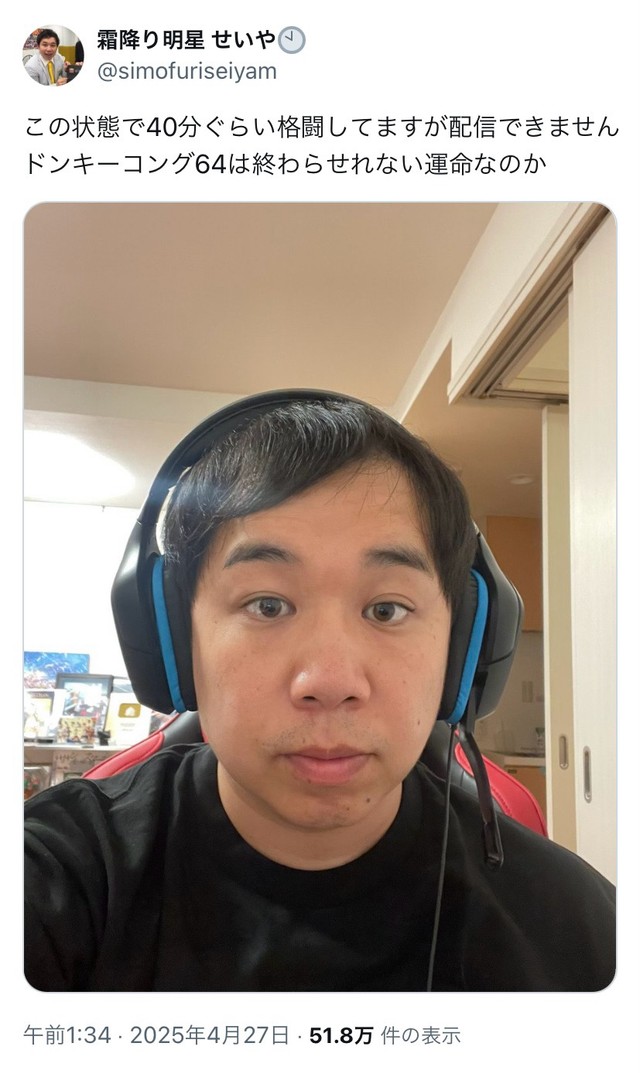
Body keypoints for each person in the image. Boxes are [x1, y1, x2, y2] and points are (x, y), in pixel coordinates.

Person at [24, 391, 615, 991]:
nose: (330, 683)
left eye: (387, 609)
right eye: (267, 604)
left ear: (462, 645)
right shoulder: (58, 879)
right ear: (176, 638)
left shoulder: (580, 930)